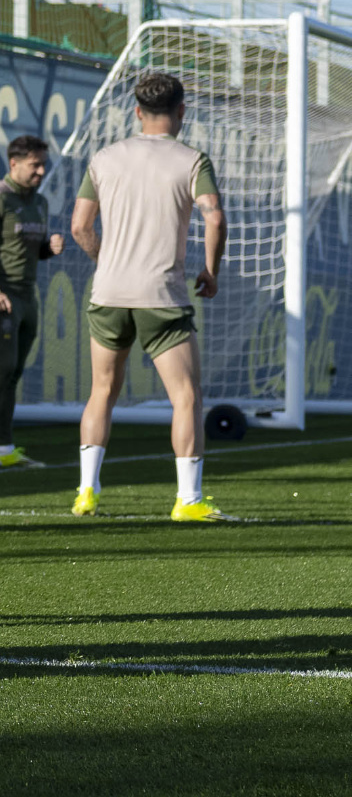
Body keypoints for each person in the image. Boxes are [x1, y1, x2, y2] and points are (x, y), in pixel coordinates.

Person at [70, 72, 230, 521]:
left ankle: (86, 492)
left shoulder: (105, 157)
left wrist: (107, 262)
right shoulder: (192, 160)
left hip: (109, 293)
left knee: (102, 391)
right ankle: (189, 500)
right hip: (161, 294)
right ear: (181, 111)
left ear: (137, 112)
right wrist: (211, 270)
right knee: (186, 396)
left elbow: (80, 226)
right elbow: (214, 218)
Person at [0, 135, 65, 469]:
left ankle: (4, 448)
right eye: (35, 165)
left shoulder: (40, 202)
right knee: (1, 367)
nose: (41, 171)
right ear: (14, 163)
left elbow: (30, 251)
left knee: (14, 372)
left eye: (44, 164)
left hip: (26, 296)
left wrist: (49, 248)